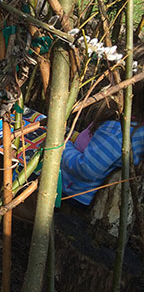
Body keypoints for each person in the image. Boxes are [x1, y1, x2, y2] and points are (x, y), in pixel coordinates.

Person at [61, 48, 144, 206]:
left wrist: (60, 147)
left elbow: (86, 169)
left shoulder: (117, 132)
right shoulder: (135, 127)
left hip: (71, 191)